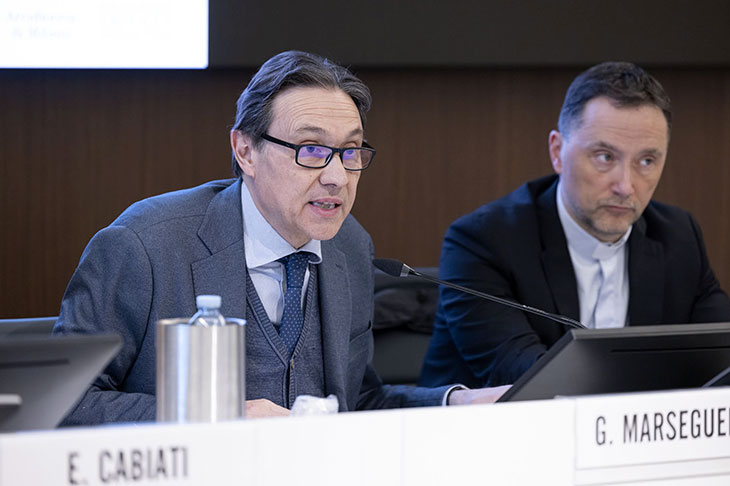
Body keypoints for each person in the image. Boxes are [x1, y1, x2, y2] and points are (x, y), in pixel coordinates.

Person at [54, 50, 507, 425]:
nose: (337, 177)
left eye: (350, 152)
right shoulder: (144, 245)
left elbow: (355, 403)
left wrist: (456, 402)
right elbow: (64, 403)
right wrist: (218, 415)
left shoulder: (350, 246)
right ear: (245, 151)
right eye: (311, 150)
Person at [419, 61, 730, 389]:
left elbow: (721, 357)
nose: (625, 186)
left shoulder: (678, 237)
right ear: (557, 151)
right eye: (605, 157)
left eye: (646, 161)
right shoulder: (482, 241)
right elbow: (531, 381)